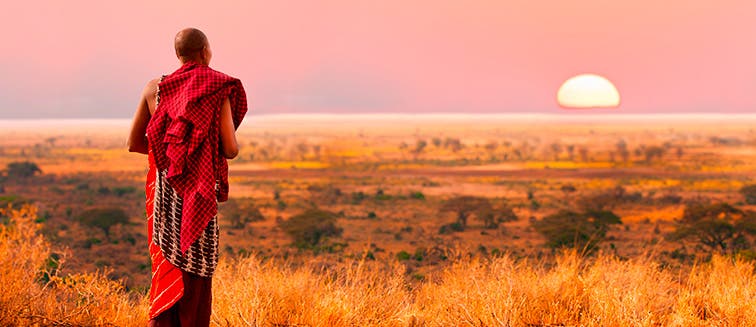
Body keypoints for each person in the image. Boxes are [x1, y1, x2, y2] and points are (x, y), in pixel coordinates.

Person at [128, 27, 247, 326]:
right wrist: (201, 157)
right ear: (206, 51)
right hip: (199, 194)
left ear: (177, 54)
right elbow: (230, 149)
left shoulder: (153, 88)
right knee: (196, 275)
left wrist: (171, 159)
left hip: (165, 197)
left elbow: (135, 143)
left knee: (168, 266)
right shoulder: (216, 89)